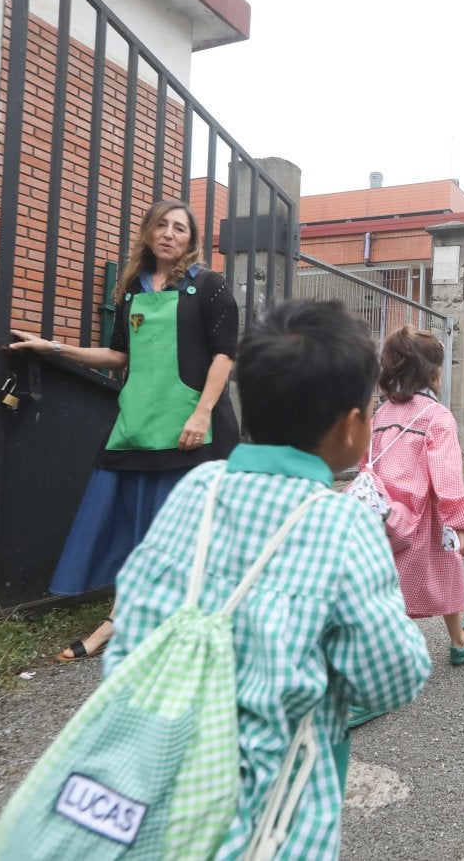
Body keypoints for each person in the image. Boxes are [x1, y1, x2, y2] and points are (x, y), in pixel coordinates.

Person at [103, 298, 432, 857]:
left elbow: (131, 623)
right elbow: (390, 677)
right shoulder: (342, 523)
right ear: (353, 428)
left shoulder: (197, 490)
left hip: (146, 787)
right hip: (270, 822)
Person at [10, 200, 239, 661]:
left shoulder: (209, 287)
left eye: (180, 228)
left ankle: (206, 624)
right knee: (138, 529)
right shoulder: (132, 290)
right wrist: (55, 348)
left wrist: (201, 413)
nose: (170, 234)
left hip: (194, 429)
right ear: (149, 233)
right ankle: (121, 620)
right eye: (163, 225)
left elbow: (224, 354)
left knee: (195, 532)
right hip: (138, 424)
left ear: (191, 240)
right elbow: (120, 356)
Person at [361, 326, 464, 672]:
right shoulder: (435, 416)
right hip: (427, 518)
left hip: (386, 517)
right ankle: (458, 640)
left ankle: (383, 649)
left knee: (388, 584)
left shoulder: (381, 414)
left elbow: (364, 462)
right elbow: (446, 476)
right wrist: (461, 523)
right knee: (447, 572)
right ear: (431, 373)